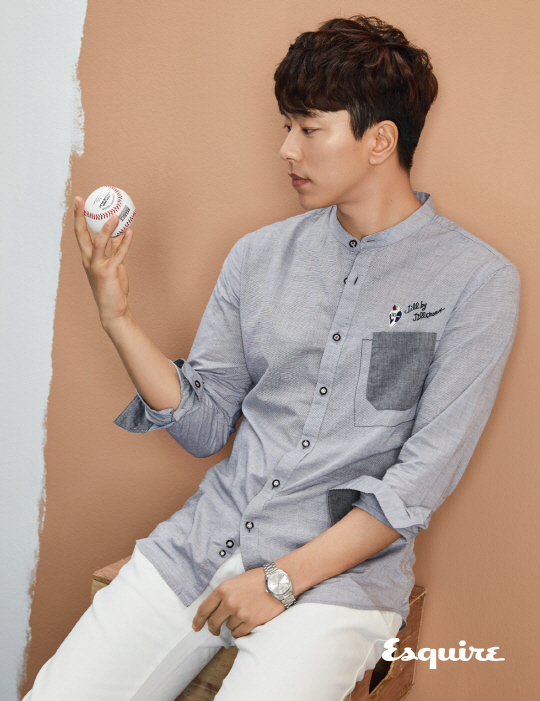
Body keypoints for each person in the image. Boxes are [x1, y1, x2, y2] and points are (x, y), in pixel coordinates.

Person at [24, 13, 520, 701]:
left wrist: (281, 580)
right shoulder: (257, 257)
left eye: (309, 129)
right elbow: (203, 426)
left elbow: (417, 483)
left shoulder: (477, 281)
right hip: (199, 545)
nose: (286, 148)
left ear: (380, 140)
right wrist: (117, 315)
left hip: (337, 587)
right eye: (287, 125)